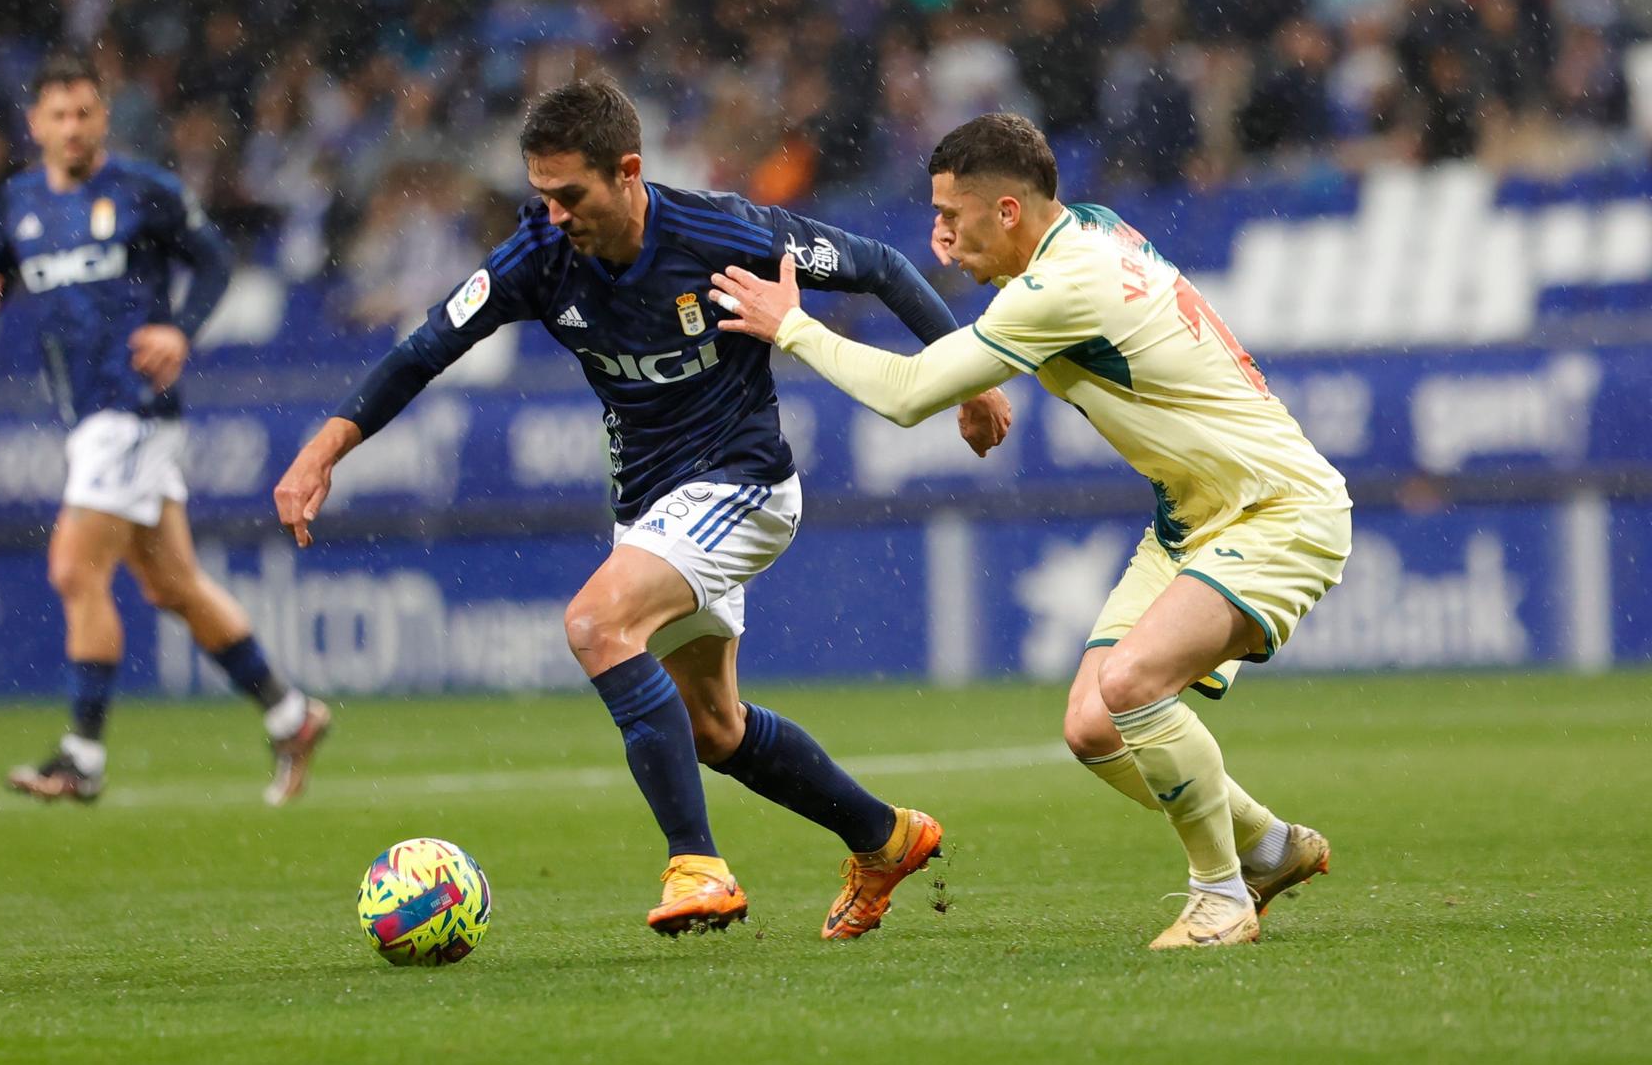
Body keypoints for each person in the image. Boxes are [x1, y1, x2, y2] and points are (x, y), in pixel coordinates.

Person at [274, 78, 1014, 938]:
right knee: (713, 728)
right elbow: (425, 348)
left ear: (628, 172)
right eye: (540, 195)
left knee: (594, 624)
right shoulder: (537, 256)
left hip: (741, 484)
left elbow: (881, 267)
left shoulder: (721, 231)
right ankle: (883, 838)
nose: (552, 215)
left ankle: (696, 865)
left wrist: (971, 379)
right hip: (651, 506)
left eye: (570, 196)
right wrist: (324, 448)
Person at [710, 112, 1344, 950]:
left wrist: (793, 327)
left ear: (1007, 210)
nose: (940, 238)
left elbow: (906, 397)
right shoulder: (1088, 230)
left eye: (952, 215)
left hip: (1277, 505)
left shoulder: (1061, 284)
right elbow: (995, 344)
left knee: (1133, 687)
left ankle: (1221, 897)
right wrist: (974, 380)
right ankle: (1264, 848)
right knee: (1093, 725)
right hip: (1195, 511)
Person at [0, 52, 329, 806]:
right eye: (57, 115)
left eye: (85, 112)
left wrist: (180, 329)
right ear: (35, 125)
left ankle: (81, 755)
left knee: (73, 570)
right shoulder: (20, 201)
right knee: (172, 584)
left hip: (131, 410)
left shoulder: (141, 191)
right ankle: (291, 715)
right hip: (86, 417)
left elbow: (217, 262)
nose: (72, 127)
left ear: (104, 117)